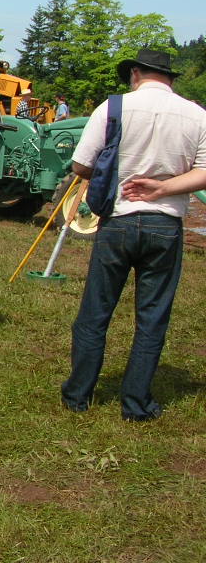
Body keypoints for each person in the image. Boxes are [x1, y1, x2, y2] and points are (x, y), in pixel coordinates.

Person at [61, 47, 206, 422]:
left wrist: (117, 178)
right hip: (165, 225)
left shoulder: (112, 108)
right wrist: (162, 188)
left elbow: (80, 163)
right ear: (170, 79)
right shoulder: (196, 114)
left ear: (135, 75)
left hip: (119, 222)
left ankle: (78, 396)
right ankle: (136, 404)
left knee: (96, 311)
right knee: (152, 317)